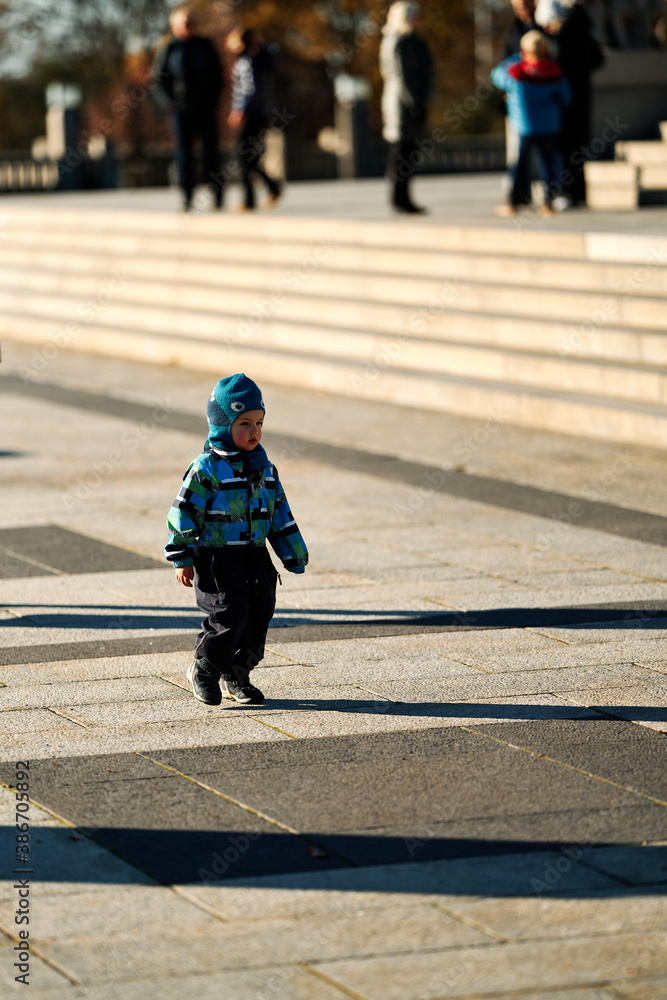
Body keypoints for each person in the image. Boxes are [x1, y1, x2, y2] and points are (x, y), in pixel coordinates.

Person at [166, 373, 308, 706]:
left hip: (256, 556)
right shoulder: (207, 468)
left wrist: (292, 553)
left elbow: (279, 513)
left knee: (259, 615)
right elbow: (183, 511)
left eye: (259, 422)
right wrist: (181, 556)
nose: (254, 431)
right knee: (230, 615)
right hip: (217, 557)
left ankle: (237, 673)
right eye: (244, 423)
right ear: (222, 425)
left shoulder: (266, 469)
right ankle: (204, 668)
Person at [491, 31, 571, 218]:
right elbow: (566, 96)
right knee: (548, 164)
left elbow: (497, 76)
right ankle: (548, 203)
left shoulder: (516, 71)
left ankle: (512, 202)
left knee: (519, 165)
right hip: (549, 124)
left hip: (524, 125)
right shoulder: (554, 71)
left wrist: (517, 58)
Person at [153, 6, 224, 212]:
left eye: (192, 22)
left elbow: (218, 77)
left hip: (205, 108)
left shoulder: (205, 45)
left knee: (211, 152)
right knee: (184, 155)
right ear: (174, 26)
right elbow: (158, 81)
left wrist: (213, 102)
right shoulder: (168, 49)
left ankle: (217, 195)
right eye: (186, 23)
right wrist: (170, 104)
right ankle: (187, 197)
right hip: (181, 110)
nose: (190, 26)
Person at [538, 1, 604, 207]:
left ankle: (566, 192)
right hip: (582, 97)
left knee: (564, 148)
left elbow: (561, 67)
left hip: (566, 101)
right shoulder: (585, 29)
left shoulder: (564, 37)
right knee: (579, 148)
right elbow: (598, 59)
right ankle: (579, 193)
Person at [380, 0, 434, 214]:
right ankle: (399, 198)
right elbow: (400, 76)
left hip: (414, 101)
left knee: (410, 151)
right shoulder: (396, 41)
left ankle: (404, 197)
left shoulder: (413, 40)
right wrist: (413, 103)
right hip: (401, 104)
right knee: (402, 151)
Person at [227, 29, 283, 211]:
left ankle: (252, 198)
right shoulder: (257, 60)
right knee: (248, 156)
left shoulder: (247, 61)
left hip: (251, 114)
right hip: (259, 113)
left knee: (243, 156)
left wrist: (240, 110)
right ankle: (270, 188)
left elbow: (249, 89)